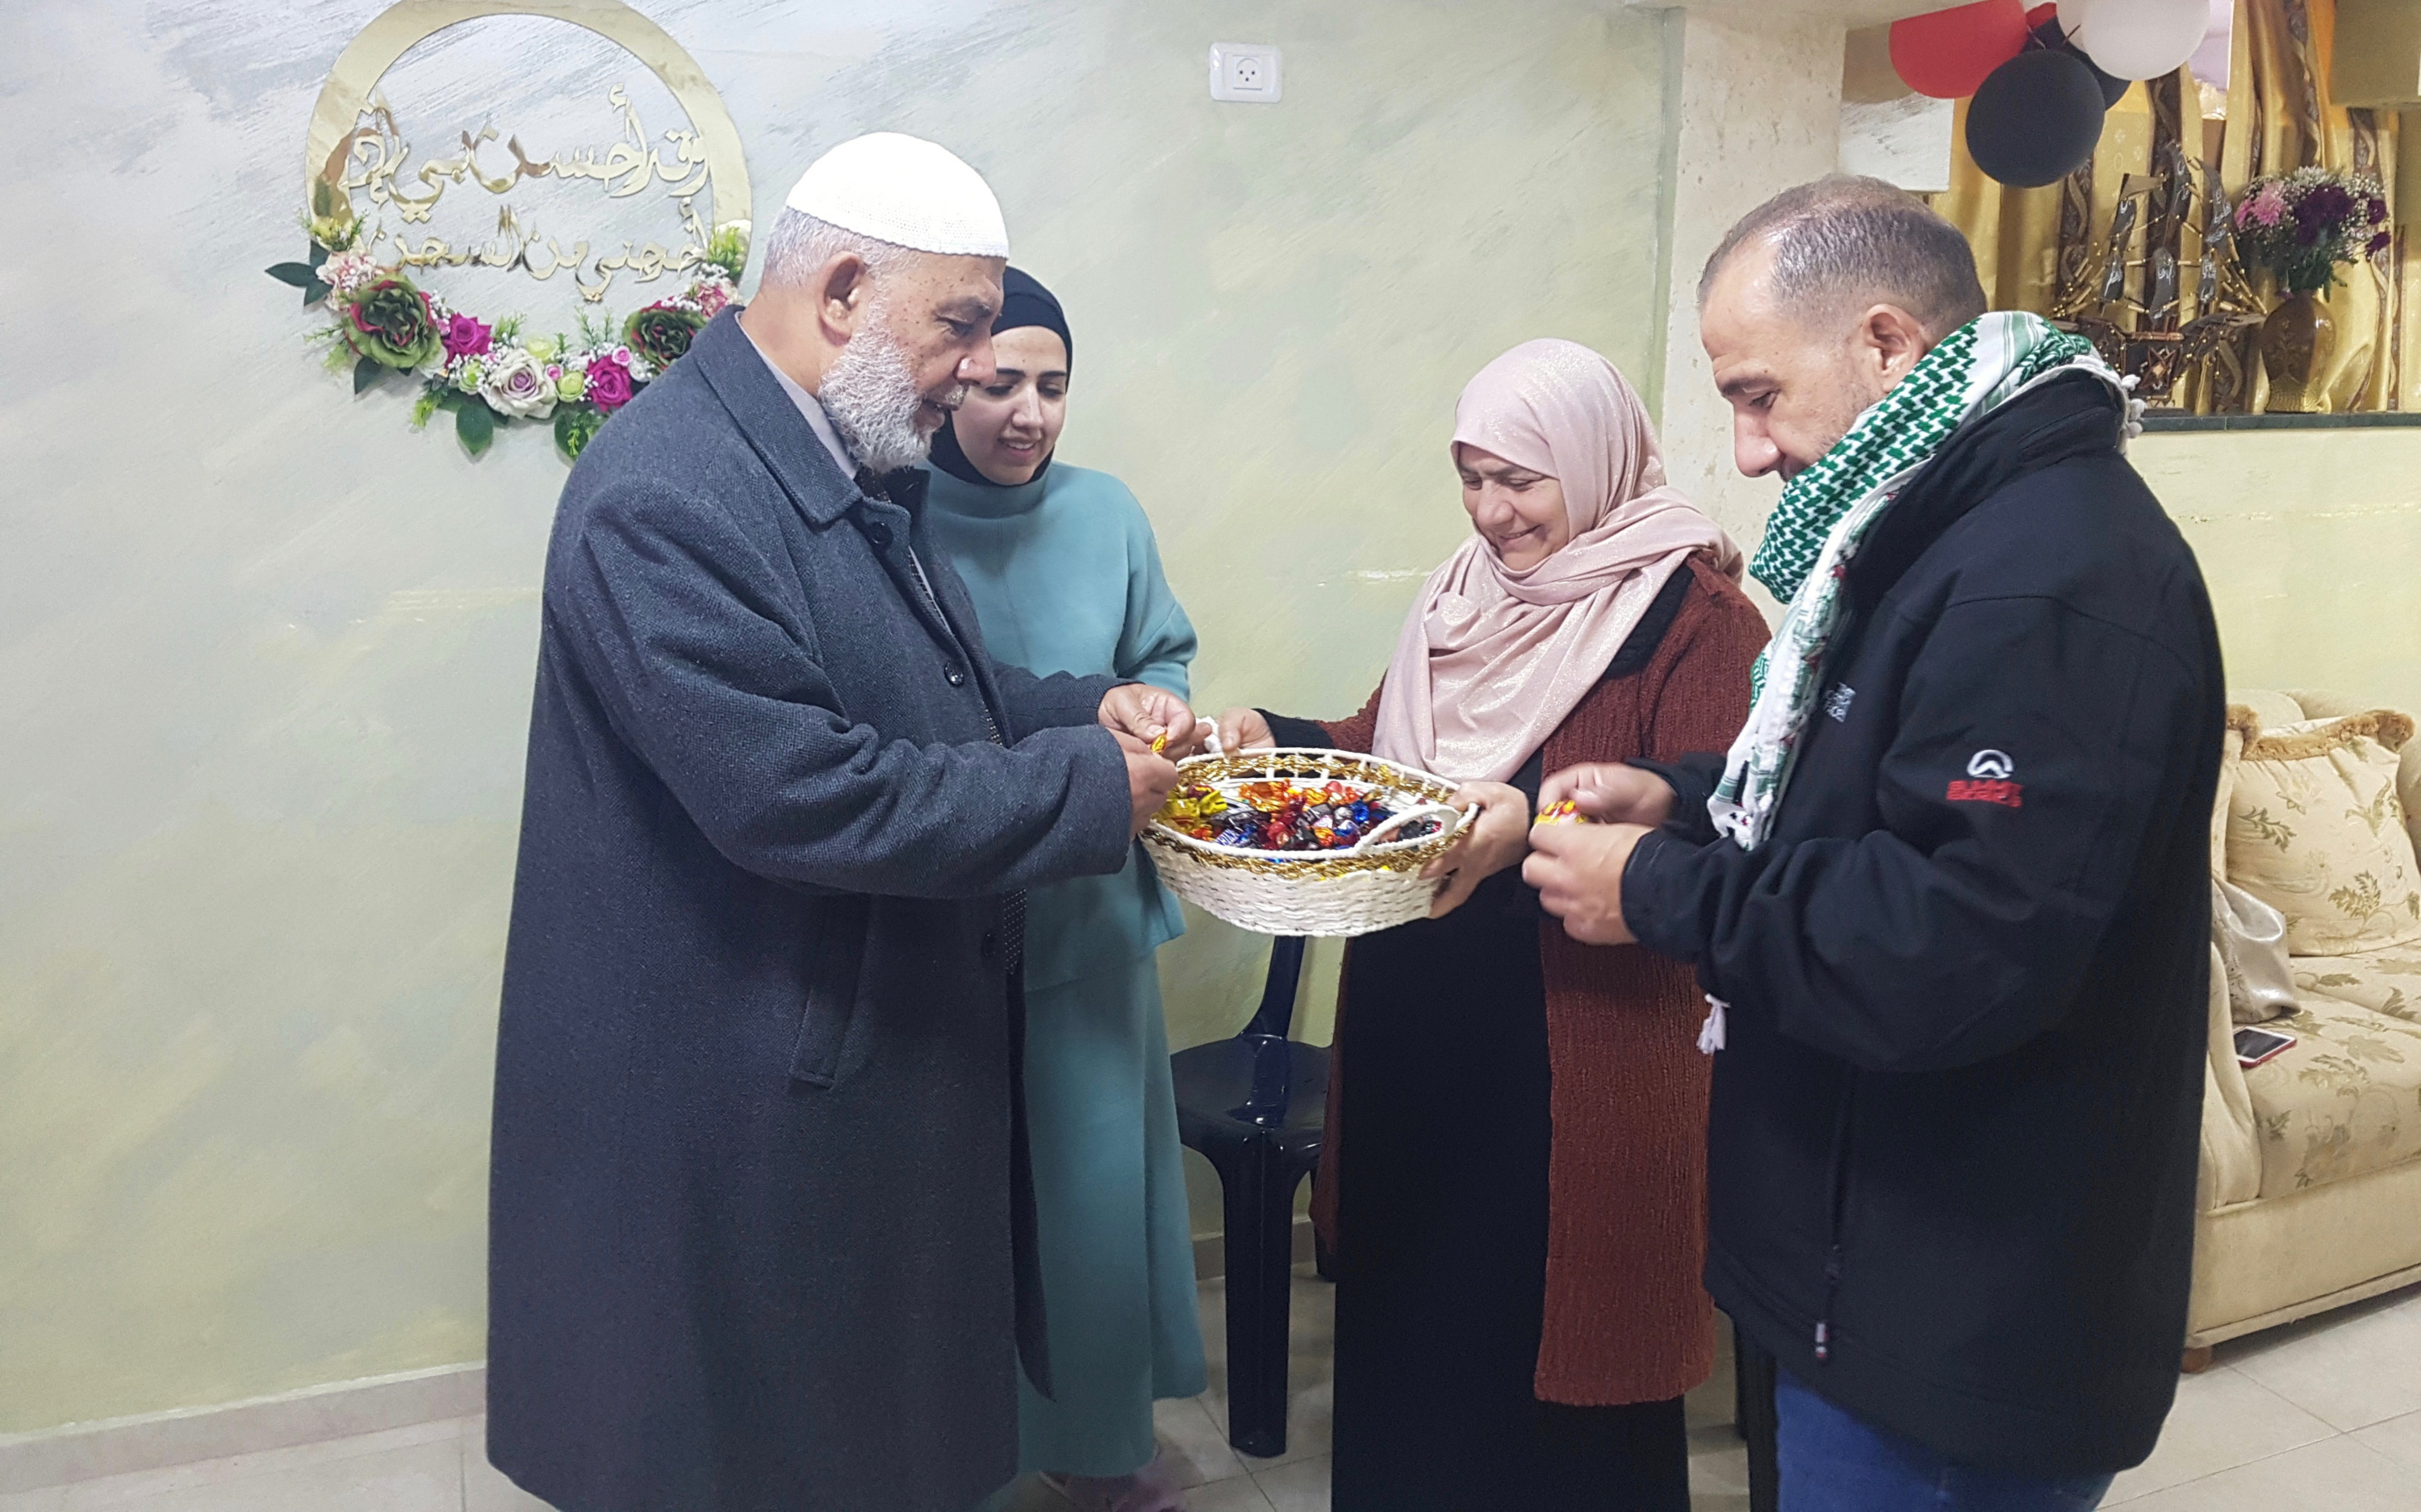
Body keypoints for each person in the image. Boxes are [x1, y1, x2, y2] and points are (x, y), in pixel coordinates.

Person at [485, 133, 1203, 1512]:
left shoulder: (832, 453)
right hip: (734, 1089)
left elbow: (935, 682)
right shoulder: (668, 492)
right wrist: (1091, 793)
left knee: (861, 1437)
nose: (975, 372)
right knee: (753, 1448)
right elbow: (803, 790)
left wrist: (1087, 708)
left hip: (830, 1055)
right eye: (960, 327)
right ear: (843, 293)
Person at [1524, 177, 2224, 1510]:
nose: (1744, 449)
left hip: (1957, 1313)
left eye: (1755, 393)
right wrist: (1685, 795)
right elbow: (1863, 780)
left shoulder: (2054, 571)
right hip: (1865, 1274)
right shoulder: (1930, 528)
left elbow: (1944, 943)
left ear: (1888, 346)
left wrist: (1664, 888)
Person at [1218, 339, 1769, 1511]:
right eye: (1472, 475)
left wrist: (1544, 820)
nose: (1492, 509)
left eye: (1521, 477)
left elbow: (1729, 813)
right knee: (1417, 1338)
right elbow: (1388, 755)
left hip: (1580, 1055)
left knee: (1563, 1372)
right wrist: (1281, 732)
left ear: (1594, 457)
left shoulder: (1697, 615)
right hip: (1422, 1037)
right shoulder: (1459, 596)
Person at [922, 269, 1207, 1512]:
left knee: (1096, 1196)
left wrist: (1160, 707)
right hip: (950, 922)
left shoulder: (1110, 513)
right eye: (998, 384)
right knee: (960, 1204)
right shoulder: (887, 520)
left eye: (1052, 386)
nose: (1027, 413)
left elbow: (1164, 653)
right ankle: (953, 1450)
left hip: (1089, 915)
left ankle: (1099, 1444)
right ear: (947, 383)